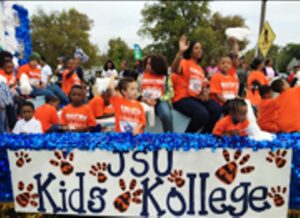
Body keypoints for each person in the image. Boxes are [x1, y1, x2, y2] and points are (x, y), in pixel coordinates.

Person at [171, 36, 222, 133]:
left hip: (196, 98)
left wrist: (204, 93)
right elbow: (174, 69)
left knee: (217, 109)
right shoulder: (184, 62)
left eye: (201, 48)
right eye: (196, 48)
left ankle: (204, 136)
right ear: (190, 50)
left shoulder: (200, 69)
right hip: (182, 98)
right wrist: (180, 52)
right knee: (202, 114)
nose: (200, 50)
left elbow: (201, 87)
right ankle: (186, 138)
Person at [140, 54, 174, 132]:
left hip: (160, 101)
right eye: (147, 63)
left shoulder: (165, 77)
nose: (147, 66)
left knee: (166, 114)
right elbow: (136, 90)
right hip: (144, 101)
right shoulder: (141, 76)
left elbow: (171, 93)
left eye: (150, 64)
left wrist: (158, 100)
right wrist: (142, 98)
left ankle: (169, 136)